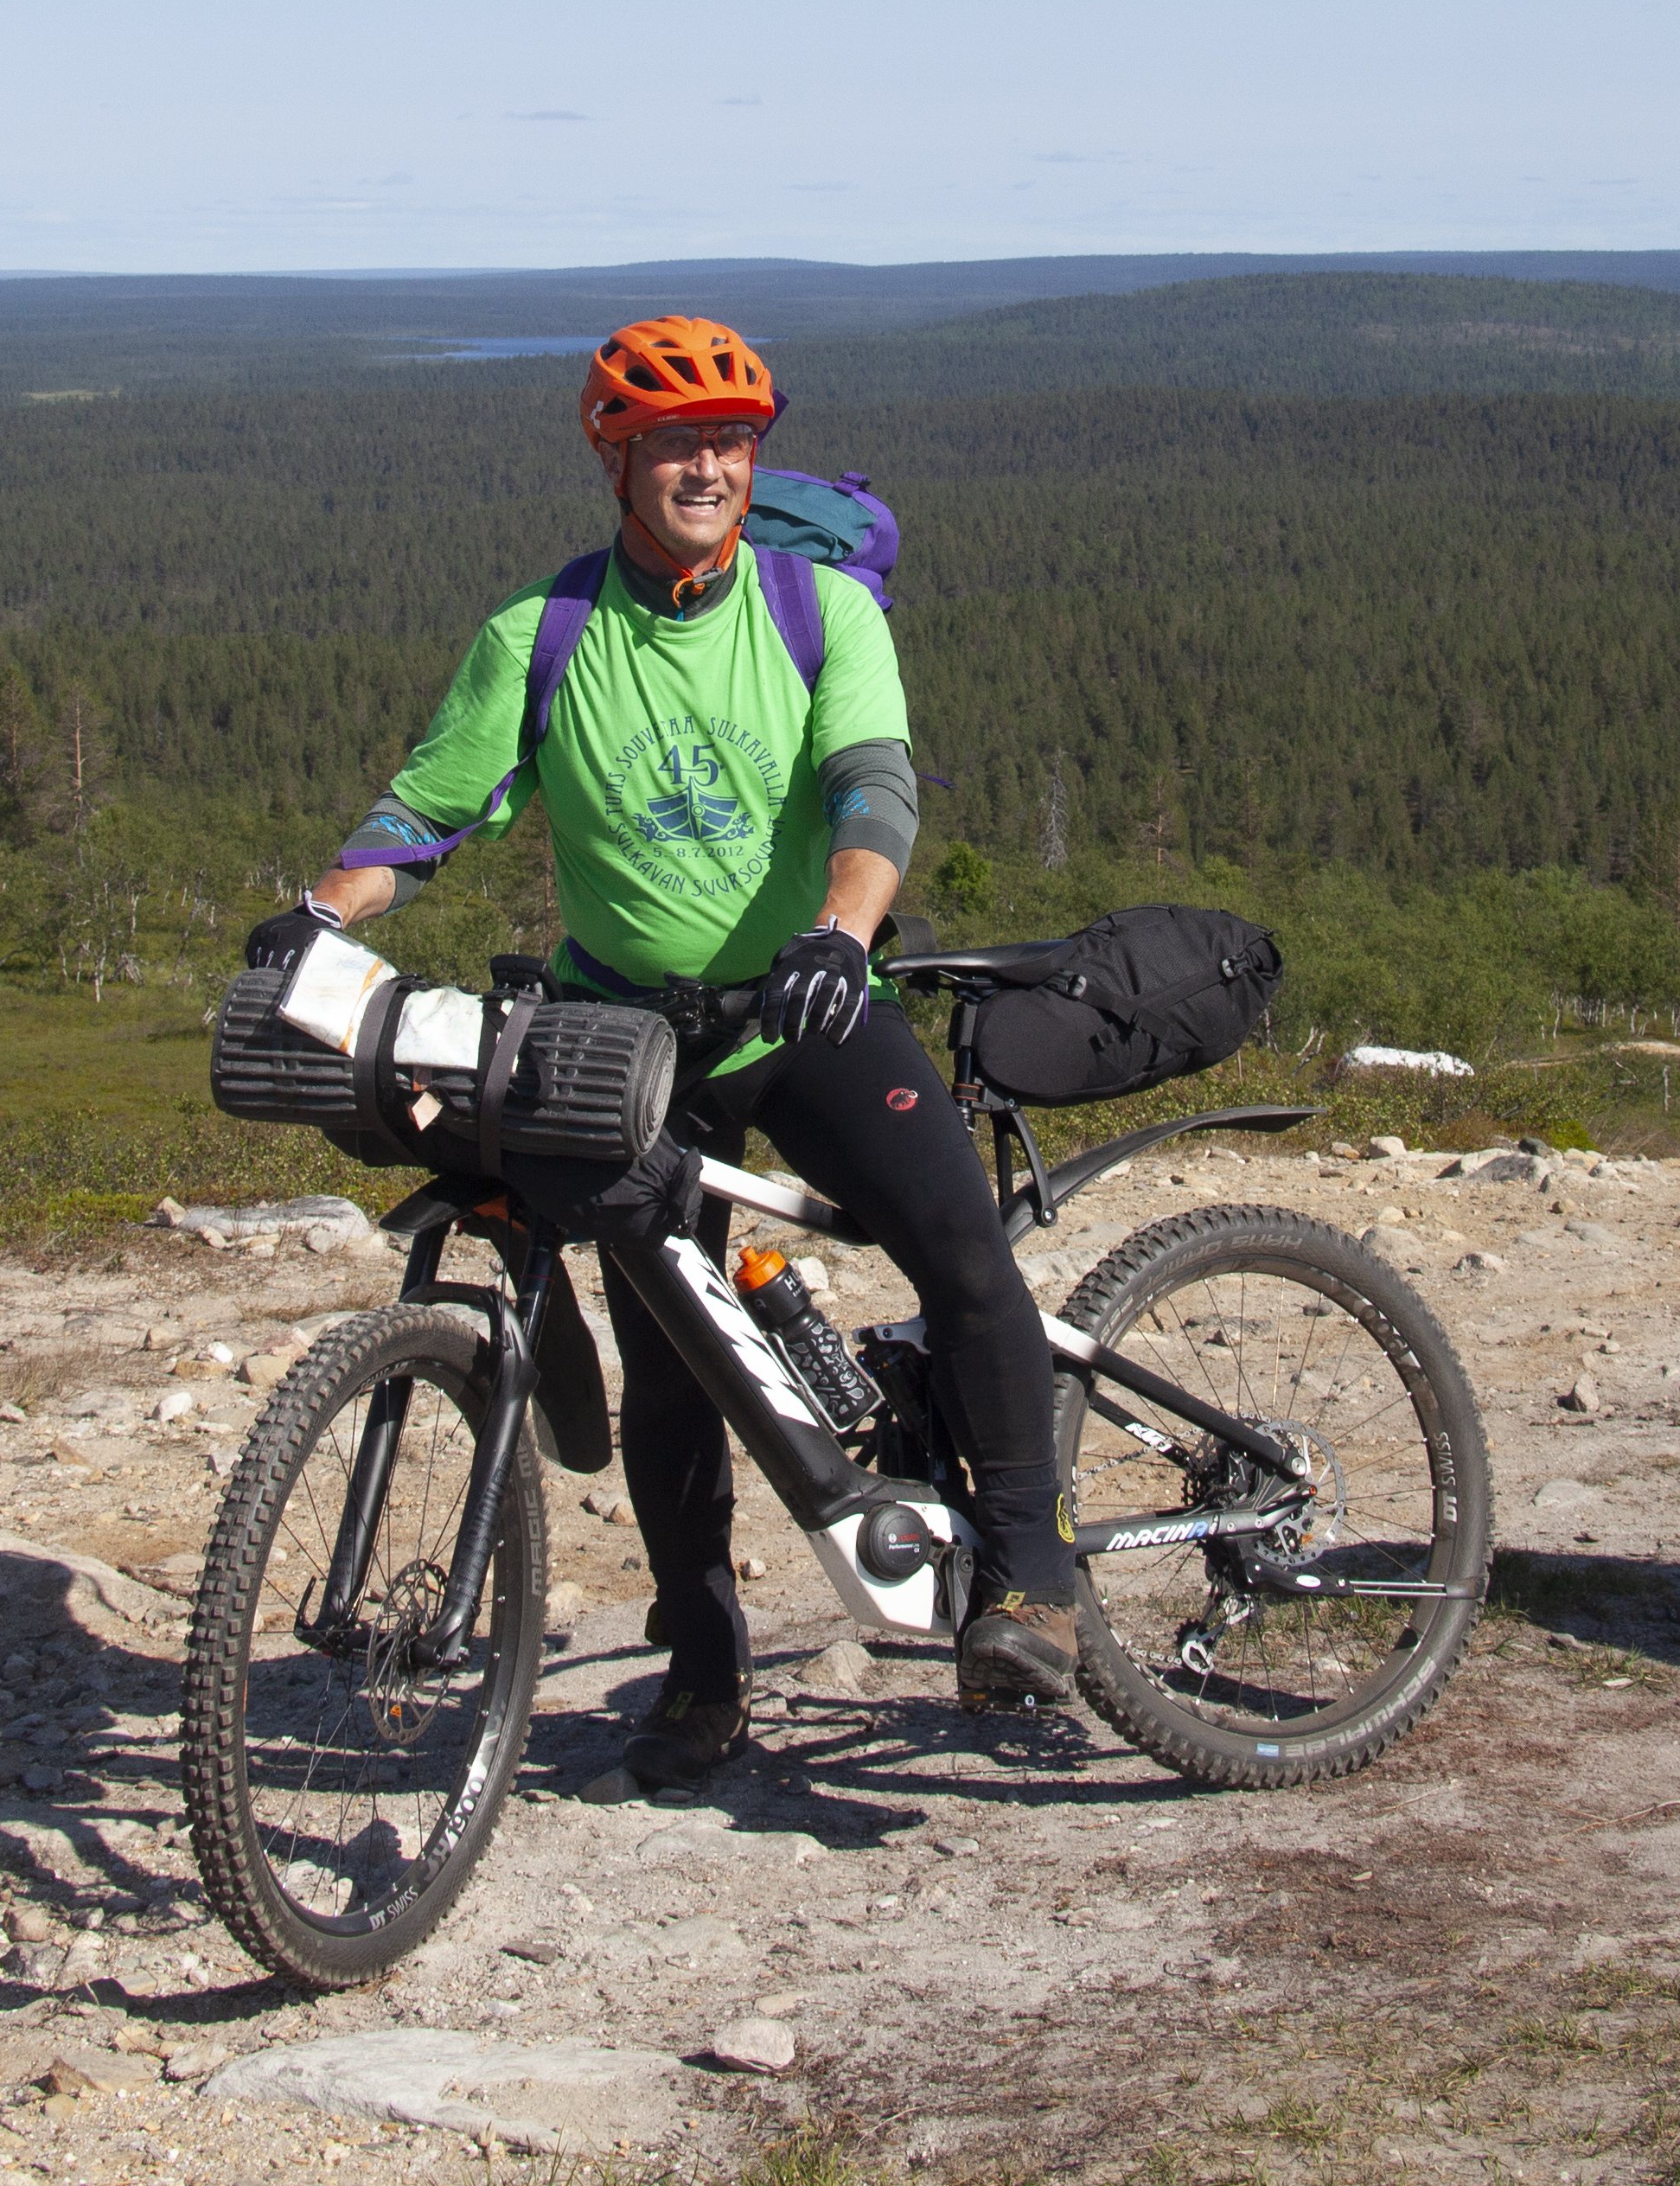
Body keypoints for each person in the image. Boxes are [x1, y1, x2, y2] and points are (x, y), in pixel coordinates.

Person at [243, 316, 1079, 1790]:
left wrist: (840, 929)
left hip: (803, 1006)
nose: (708, 464)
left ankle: (1030, 1583)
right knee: (674, 1369)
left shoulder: (821, 611)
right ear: (615, 457)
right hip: (618, 1038)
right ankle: (703, 1674)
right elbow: (424, 814)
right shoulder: (543, 635)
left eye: (732, 440)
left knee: (958, 1247)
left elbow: (875, 791)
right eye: (677, 441)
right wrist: (320, 908)